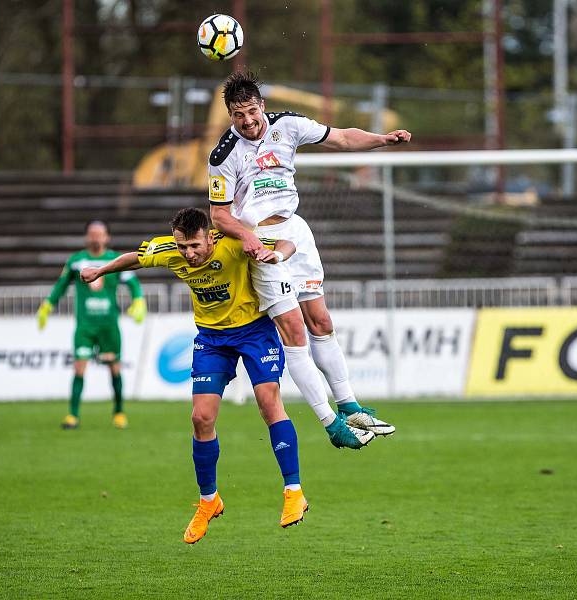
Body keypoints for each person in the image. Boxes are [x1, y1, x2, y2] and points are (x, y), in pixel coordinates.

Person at [80, 208, 311, 544]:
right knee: (201, 418)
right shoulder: (172, 251)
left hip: (254, 332)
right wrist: (100, 269)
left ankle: (293, 491)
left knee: (267, 401)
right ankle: (208, 501)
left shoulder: (234, 244)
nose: (187, 253)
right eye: (182, 246)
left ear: (210, 237)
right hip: (212, 339)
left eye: (193, 246)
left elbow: (287, 242)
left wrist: (273, 254)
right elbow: (135, 258)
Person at [208, 71, 410, 439]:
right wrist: (246, 237)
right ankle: (330, 423)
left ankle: (350, 405)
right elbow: (219, 214)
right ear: (230, 116)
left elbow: (345, 138)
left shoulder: (288, 126)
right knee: (294, 330)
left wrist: (381, 139)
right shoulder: (222, 155)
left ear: (262, 106)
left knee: (321, 321)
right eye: (239, 116)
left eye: (252, 111)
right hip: (261, 241)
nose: (248, 121)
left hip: (296, 232)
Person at [36, 220, 146, 430]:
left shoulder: (115, 259)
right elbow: (61, 285)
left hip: (108, 325)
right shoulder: (77, 261)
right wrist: (48, 305)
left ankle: (119, 412)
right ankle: (73, 415)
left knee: (114, 368)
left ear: (107, 237)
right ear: (87, 237)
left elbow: (133, 283)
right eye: (92, 234)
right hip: (85, 326)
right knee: (79, 367)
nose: (96, 237)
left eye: (99, 234)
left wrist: (138, 301)